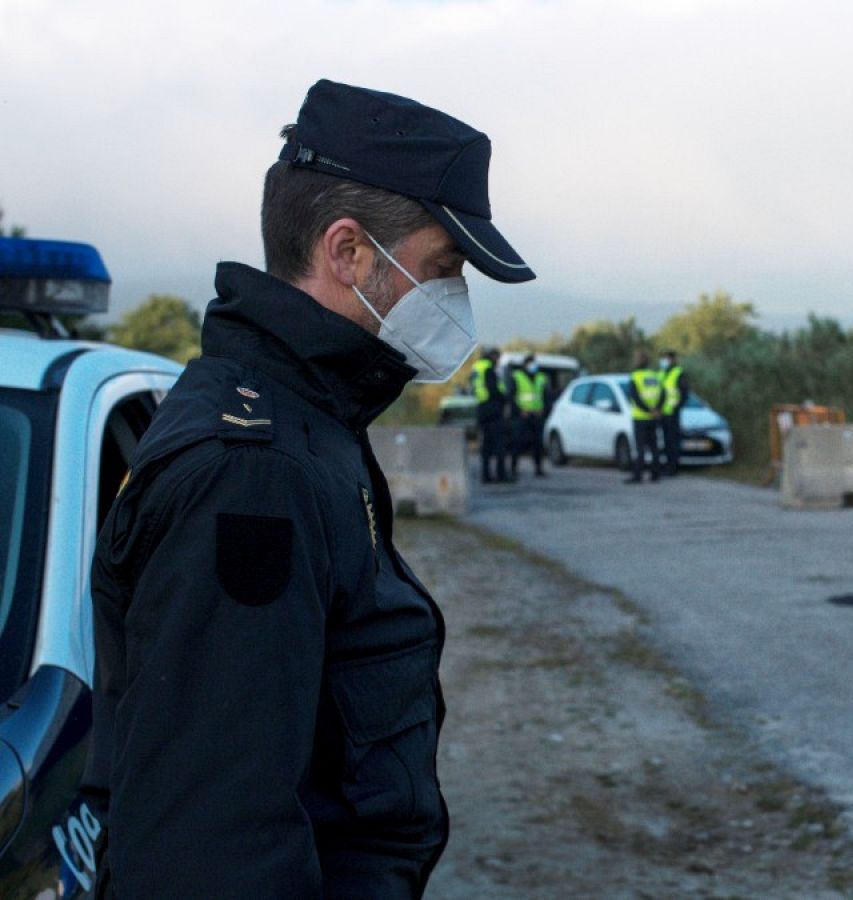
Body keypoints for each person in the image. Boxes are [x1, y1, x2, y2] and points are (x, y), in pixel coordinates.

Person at [86, 79, 534, 898]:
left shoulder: (309, 420)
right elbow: (214, 849)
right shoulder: (252, 474)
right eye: (442, 268)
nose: (454, 301)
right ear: (348, 252)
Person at [472, 346, 512, 483]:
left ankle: (486, 475)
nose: (498, 361)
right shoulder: (489, 368)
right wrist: (505, 398)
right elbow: (493, 389)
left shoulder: (477, 367)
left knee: (486, 445)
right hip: (493, 409)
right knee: (499, 443)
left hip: (482, 409)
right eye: (497, 357)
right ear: (492, 356)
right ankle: (501, 475)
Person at [624, 352, 664, 483]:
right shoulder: (654, 376)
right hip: (654, 418)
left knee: (640, 448)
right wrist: (657, 409)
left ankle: (638, 475)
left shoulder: (635, 376)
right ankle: (655, 474)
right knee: (654, 447)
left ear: (638, 362)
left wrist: (648, 410)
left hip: (640, 418)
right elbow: (663, 394)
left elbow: (635, 398)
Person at [510, 356, 552, 477]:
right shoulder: (517, 376)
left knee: (537, 443)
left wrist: (544, 410)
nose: (533, 366)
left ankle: (538, 469)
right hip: (522, 415)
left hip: (537, 415)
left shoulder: (540, 377)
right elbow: (512, 396)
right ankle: (513, 469)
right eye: (530, 364)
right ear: (525, 364)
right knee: (517, 442)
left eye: (534, 364)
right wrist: (519, 411)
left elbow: (545, 396)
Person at [659, 349, 688, 475]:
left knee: (673, 441)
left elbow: (684, 392)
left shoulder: (678, 373)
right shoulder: (661, 373)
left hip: (673, 413)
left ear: (673, 359)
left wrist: (678, 407)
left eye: (667, 358)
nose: (664, 361)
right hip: (663, 413)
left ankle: (673, 467)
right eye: (663, 358)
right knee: (666, 441)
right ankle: (667, 465)